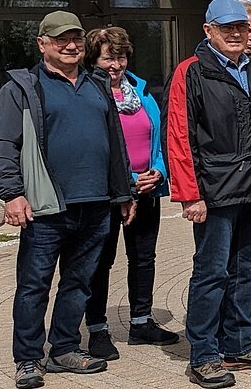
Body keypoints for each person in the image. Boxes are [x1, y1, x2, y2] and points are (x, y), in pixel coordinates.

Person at [0, 12, 135, 389]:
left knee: (79, 282)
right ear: (42, 43)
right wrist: (12, 193)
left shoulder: (97, 83)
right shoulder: (23, 87)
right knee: (33, 285)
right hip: (45, 207)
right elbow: (5, 145)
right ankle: (27, 358)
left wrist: (123, 193)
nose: (71, 46)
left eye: (76, 39)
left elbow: (115, 143)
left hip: (96, 204)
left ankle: (65, 349)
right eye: (60, 40)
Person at [167, 0, 251, 387]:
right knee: (211, 273)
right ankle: (203, 353)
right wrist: (189, 194)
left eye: (241, 27)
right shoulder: (190, 73)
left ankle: (239, 341)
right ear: (208, 31)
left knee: (247, 270)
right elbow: (179, 136)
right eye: (227, 28)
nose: (236, 34)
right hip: (215, 193)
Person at [80, 27, 176, 362]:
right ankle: (97, 329)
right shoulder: (88, 92)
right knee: (101, 262)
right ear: (94, 58)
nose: (116, 64)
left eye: (120, 56)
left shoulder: (142, 91)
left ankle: (140, 322)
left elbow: (158, 136)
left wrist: (159, 171)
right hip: (108, 193)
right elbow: (95, 145)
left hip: (148, 189)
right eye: (108, 57)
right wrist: (127, 179)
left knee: (143, 258)